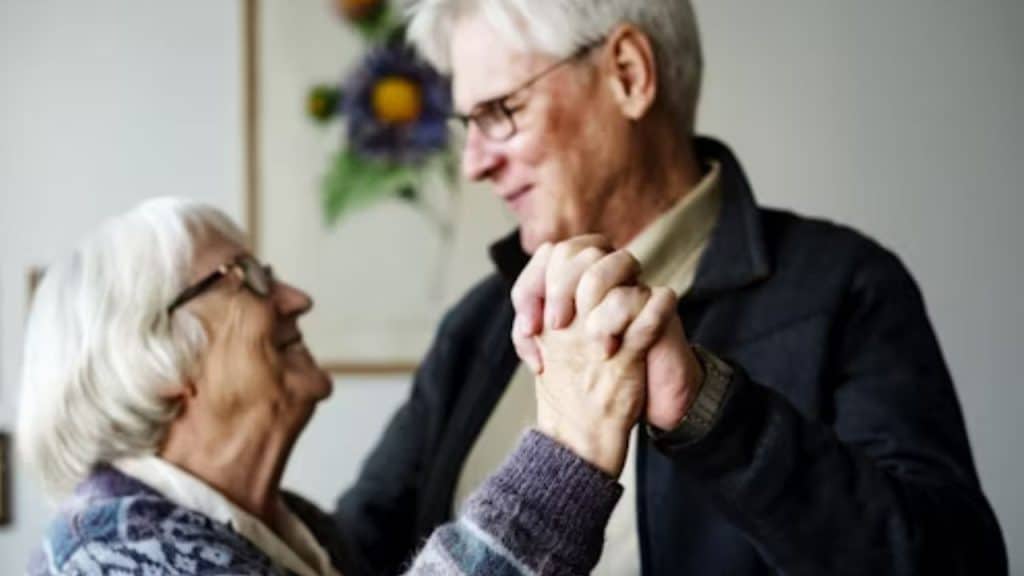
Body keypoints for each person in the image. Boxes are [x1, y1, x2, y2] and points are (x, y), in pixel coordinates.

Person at [336, 0, 1008, 574]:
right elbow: (353, 556)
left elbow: (956, 562)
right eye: (467, 124)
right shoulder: (478, 326)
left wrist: (712, 413)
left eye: (501, 111)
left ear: (628, 75)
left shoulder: (845, 286)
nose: (476, 162)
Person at [18, 198, 682, 575]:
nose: (295, 298)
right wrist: (568, 445)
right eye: (245, 277)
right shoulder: (108, 558)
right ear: (155, 363)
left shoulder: (300, 536)